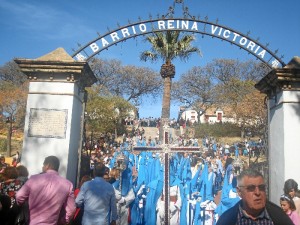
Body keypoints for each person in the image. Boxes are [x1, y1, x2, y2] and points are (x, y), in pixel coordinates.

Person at [216, 168, 294, 225]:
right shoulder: (227, 220)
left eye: (261, 188)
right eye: (251, 188)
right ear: (239, 192)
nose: (257, 192)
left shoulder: (278, 216)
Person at [16, 155, 76, 225]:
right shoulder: (68, 185)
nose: (42, 167)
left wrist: (23, 205)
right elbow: (71, 210)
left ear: (47, 165)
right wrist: (63, 221)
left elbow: (19, 196)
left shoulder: (34, 179)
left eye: (43, 165)